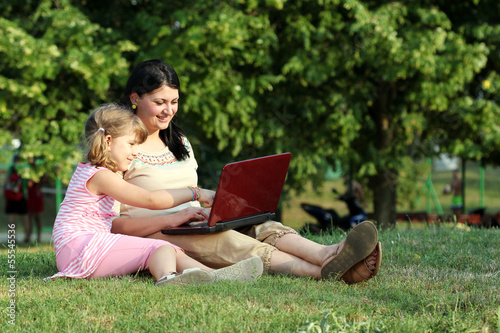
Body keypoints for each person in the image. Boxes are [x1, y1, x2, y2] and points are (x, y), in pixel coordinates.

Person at [112, 59, 382, 284]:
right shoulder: (117, 149)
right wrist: (171, 219)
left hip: (194, 221)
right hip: (156, 234)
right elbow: (113, 225)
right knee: (231, 241)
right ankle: (327, 272)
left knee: (260, 223)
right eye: (160, 102)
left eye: (175, 101)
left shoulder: (178, 141)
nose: (169, 110)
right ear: (135, 98)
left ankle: (328, 253)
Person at [46, 103, 263, 286]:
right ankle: (168, 278)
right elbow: (150, 200)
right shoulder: (101, 176)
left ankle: (217, 277)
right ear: (109, 141)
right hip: (79, 248)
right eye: (131, 144)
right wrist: (195, 193)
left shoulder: (95, 172)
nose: (135, 152)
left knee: (170, 249)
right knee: (159, 248)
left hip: (80, 247)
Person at [3, 155, 30, 242]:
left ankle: (13, 239)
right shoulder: (24, 170)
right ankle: (26, 238)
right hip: (19, 196)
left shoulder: (12, 169)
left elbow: (6, 183)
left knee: (13, 219)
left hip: (14, 196)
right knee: (24, 218)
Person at [26, 158, 45, 243]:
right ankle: (28, 236)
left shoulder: (38, 170)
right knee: (29, 217)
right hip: (30, 196)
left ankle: (38, 237)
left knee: (37, 217)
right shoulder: (26, 171)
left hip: (36, 196)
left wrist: (38, 187)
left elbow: (44, 179)